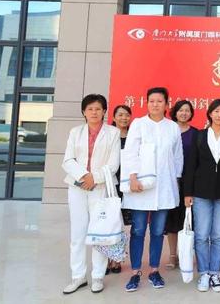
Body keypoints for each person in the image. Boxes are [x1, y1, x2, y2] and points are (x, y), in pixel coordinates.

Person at [121, 87, 184, 292]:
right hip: (140, 186)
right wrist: (132, 177)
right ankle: (135, 272)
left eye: (159, 101)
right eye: (151, 101)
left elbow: (177, 156)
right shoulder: (139, 124)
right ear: (146, 103)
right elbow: (130, 152)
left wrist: (176, 181)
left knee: (158, 231)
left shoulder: (172, 127)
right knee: (138, 230)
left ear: (166, 104)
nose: (155, 104)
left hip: (164, 186)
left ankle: (154, 271)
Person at [62, 94, 121, 294]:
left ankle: (97, 276)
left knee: (99, 234)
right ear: (83, 112)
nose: (94, 112)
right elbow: (68, 160)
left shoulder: (113, 133)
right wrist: (84, 176)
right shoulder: (75, 132)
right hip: (77, 186)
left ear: (104, 111)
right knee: (77, 233)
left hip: (101, 187)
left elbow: (113, 164)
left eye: (98, 109)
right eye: (90, 109)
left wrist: (94, 178)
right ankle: (78, 276)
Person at [184, 99, 220, 292]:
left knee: (218, 235)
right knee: (201, 235)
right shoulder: (199, 136)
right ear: (209, 113)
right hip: (201, 192)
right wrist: (188, 192)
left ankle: (215, 273)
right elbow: (191, 166)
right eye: (216, 111)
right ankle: (203, 273)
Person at [164, 100, 198, 269]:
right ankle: (172, 255)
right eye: (181, 110)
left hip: (190, 181)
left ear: (191, 113)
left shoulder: (197, 134)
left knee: (189, 219)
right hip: (170, 180)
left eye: (187, 110)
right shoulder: (168, 131)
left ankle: (187, 254)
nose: (184, 113)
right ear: (175, 112)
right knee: (172, 219)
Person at [107, 104, 132, 274]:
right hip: (111, 184)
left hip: (129, 185)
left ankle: (117, 258)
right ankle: (107, 259)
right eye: (120, 115)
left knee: (124, 224)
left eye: (127, 115)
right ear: (114, 117)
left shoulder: (134, 136)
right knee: (110, 222)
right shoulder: (108, 135)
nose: (124, 118)